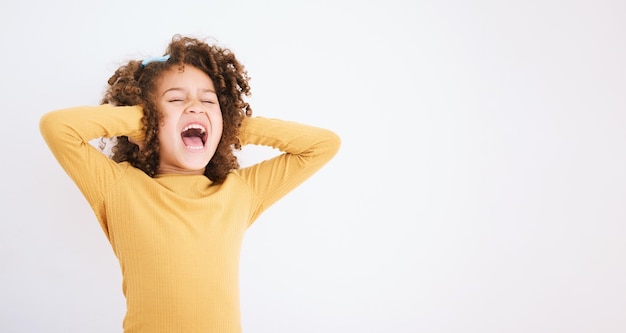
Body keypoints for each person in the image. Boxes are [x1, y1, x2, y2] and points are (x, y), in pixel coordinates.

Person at [39, 34, 341, 333]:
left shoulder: (240, 191)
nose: (196, 107)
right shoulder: (118, 187)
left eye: (208, 101)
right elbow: (57, 127)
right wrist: (142, 122)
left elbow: (323, 145)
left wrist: (230, 124)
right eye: (175, 99)